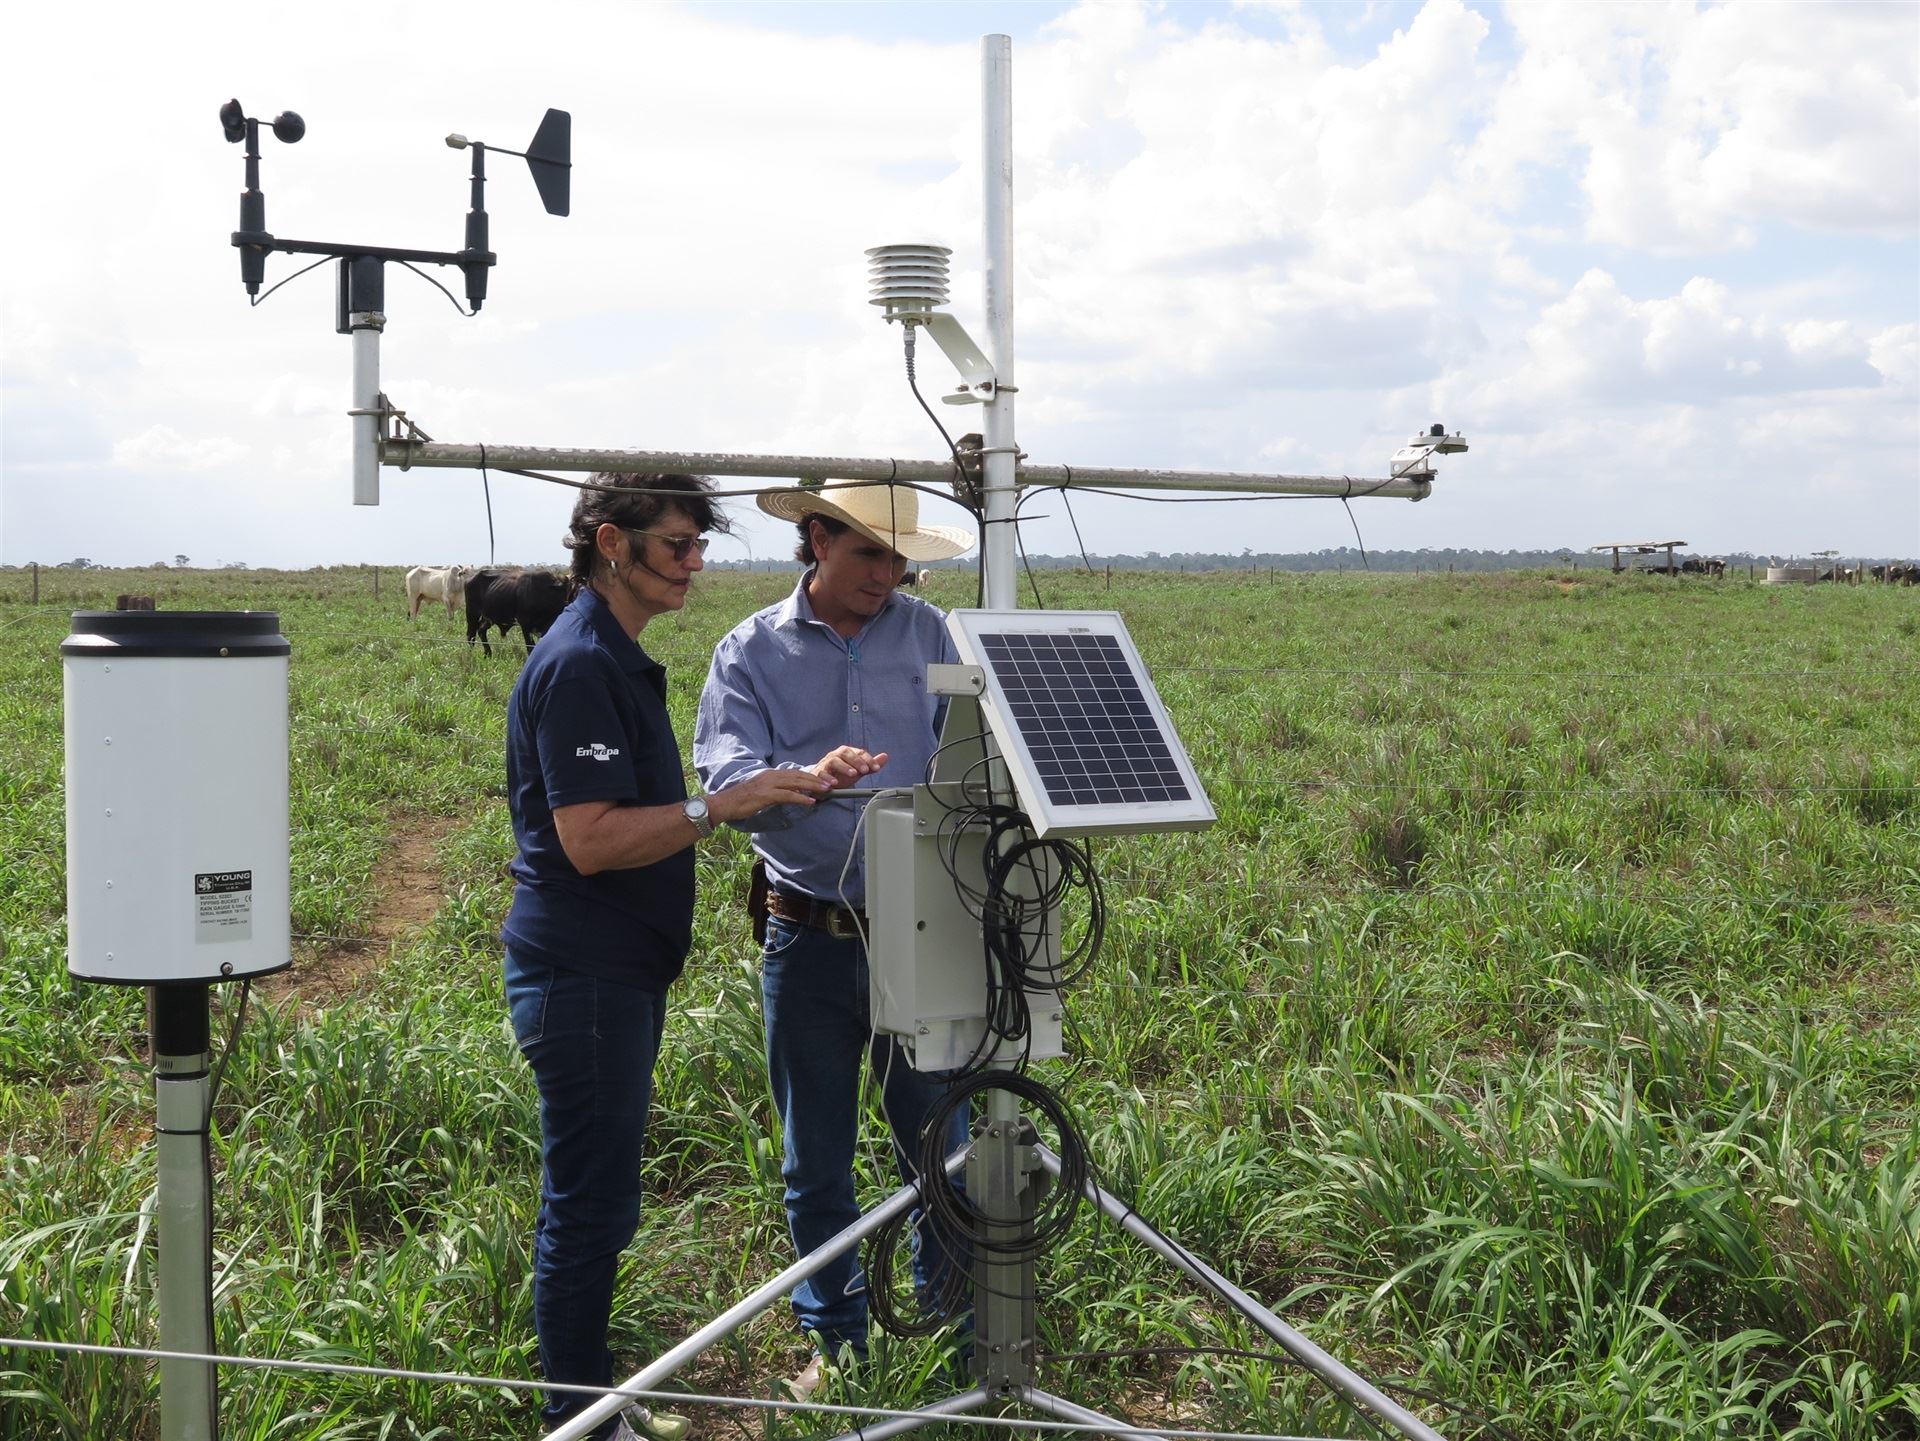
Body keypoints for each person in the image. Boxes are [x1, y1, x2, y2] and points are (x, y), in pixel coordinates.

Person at [503, 472, 852, 1440]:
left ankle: (589, 1405)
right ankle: (577, 1419)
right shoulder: (580, 665)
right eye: (676, 546)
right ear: (611, 542)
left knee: (601, 1201)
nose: (695, 564)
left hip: (610, 977)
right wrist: (720, 806)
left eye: (700, 545)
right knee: (587, 1207)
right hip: (583, 979)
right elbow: (590, 839)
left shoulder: (610, 653)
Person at [693, 481, 978, 1395]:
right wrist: (804, 776)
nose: (886, 577)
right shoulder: (749, 651)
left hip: (922, 927)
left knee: (942, 1142)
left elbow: (969, 753)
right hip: (808, 933)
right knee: (813, 1159)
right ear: (815, 539)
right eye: (867, 555)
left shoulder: (929, 633)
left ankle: (957, 1329)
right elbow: (728, 772)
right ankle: (839, 1343)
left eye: (899, 561)